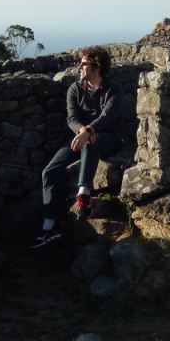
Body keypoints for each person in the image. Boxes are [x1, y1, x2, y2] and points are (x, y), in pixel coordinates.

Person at [29, 45, 124, 248]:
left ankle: (84, 194)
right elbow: (71, 117)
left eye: (83, 64)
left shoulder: (114, 89)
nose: (79, 67)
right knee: (50, 171)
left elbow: (108, 117)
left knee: (92, 142)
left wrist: (88, 131)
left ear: (96, 67)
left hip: (111, 138)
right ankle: (49, 227)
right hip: (81, 136)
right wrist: (83, 131)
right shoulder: (75, 89)